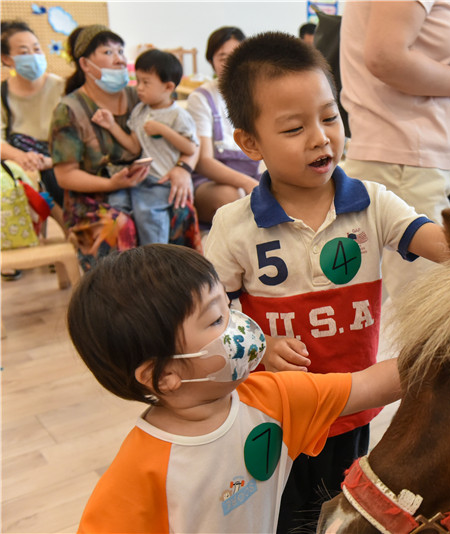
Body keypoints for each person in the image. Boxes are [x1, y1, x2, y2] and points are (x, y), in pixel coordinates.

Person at [205, 31, 450, 533]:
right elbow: (215, 315)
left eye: (329, 116)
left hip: (354, 409)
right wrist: (258, 343)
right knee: (281, 519)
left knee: (344, 515)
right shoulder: (234, 226)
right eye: (293, 128)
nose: (320, 137)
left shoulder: (371, 202)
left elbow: (433, 238)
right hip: (276, 411)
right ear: (249, 142)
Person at [69, 244, 401, 533]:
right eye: (216, 319)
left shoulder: (272, 398)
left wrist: (449, 342)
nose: (238, 324)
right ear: (164, 375)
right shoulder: (139, 473)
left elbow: (369, 385)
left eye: (228, 309)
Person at [339, 0, 450, 300]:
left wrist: (446, 55)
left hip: (399, 156)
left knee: (381, 301)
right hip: (404, 158)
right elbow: (385, 57)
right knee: (423, 308)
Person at [50, 25, 201, 270]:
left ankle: (176, 291)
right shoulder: (69, 110)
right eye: (108, 52)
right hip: (91, 199)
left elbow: (191, 140)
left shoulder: (141, 98)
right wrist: (111, 184)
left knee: (180, 208)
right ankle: (123, 304)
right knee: (119, 224)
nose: (120, 58)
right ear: (86, 65)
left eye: (120, 50)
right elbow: (65, 176)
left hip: (147, 184)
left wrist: (183, 169)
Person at [90, 49, 198, 245]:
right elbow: (133, 145)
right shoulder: (140, 110)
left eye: (145, 83)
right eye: (137, 81)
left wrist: (164, 130)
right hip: (142, 177)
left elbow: (190, 148)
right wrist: (112, 126)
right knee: (117, 203)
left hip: (163, 181)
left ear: (168, 87)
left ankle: (156, 257)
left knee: (149, 215)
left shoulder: (178, 116)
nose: (139, 88)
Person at [186, 26, 260, 225]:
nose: (231, 64)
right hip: (211, 182)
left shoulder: (258, 94)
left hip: (254, 177)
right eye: (222, 57)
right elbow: (204, 161)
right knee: (233, 199)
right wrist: (247, 183)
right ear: (211, 61)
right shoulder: (201, 98)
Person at [1, 21, 65, 209]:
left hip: (59, 157)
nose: (34, 56)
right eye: (23, 52)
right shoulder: (2, 93)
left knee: (54, 179)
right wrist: (21, 156)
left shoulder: (61, 87)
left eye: (36, 49)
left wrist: (51, 161)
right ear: (6, 59)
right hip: (21, 160)